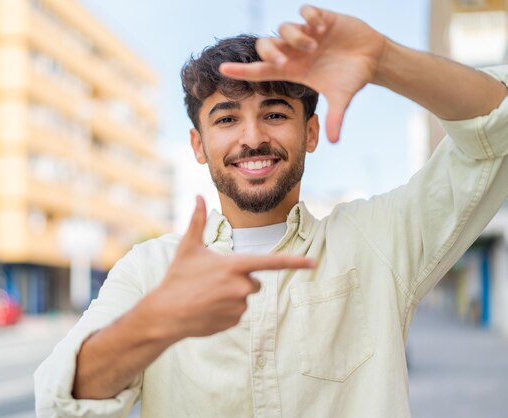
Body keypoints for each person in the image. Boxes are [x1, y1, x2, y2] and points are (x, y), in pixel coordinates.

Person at [34, 5, 508, 418]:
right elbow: (61, 403)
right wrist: (156, 321)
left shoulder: (377, 241)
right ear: (198, 145)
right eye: (226, 118)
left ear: (311, 132)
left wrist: (385, 60)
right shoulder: (150, 271)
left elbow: (494, 139)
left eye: (276, 113)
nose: (253, 137)